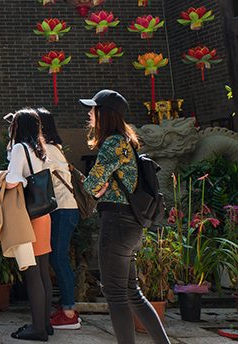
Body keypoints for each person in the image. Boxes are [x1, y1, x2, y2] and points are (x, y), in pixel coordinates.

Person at [81, 90, 170, 344]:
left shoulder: (112, 143)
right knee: (132, 293)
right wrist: (100, 187)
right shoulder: (126, 142)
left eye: (92, 109)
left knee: (116, 295)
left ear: (104, 114)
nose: (89, 113)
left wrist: (96, 187)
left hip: (116, 226)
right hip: (130, 226)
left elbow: (91, 185)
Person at [6, 108, 53, 342]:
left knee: (31, 273)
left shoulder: (18, 148)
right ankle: (45, 323)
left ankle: (38, 329)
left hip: (28, 216)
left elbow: (13, 180)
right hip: (44, 214)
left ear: (18, 127)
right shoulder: (41, 149)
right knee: (43, 271)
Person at [35, 108, 81, 331]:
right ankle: (67, 308)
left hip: (64, 210)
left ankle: (69, 312)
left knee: (59, 259)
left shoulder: (49, 150)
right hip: (62, 210)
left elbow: (35, 175)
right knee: (57, 258)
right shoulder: (54, 148)